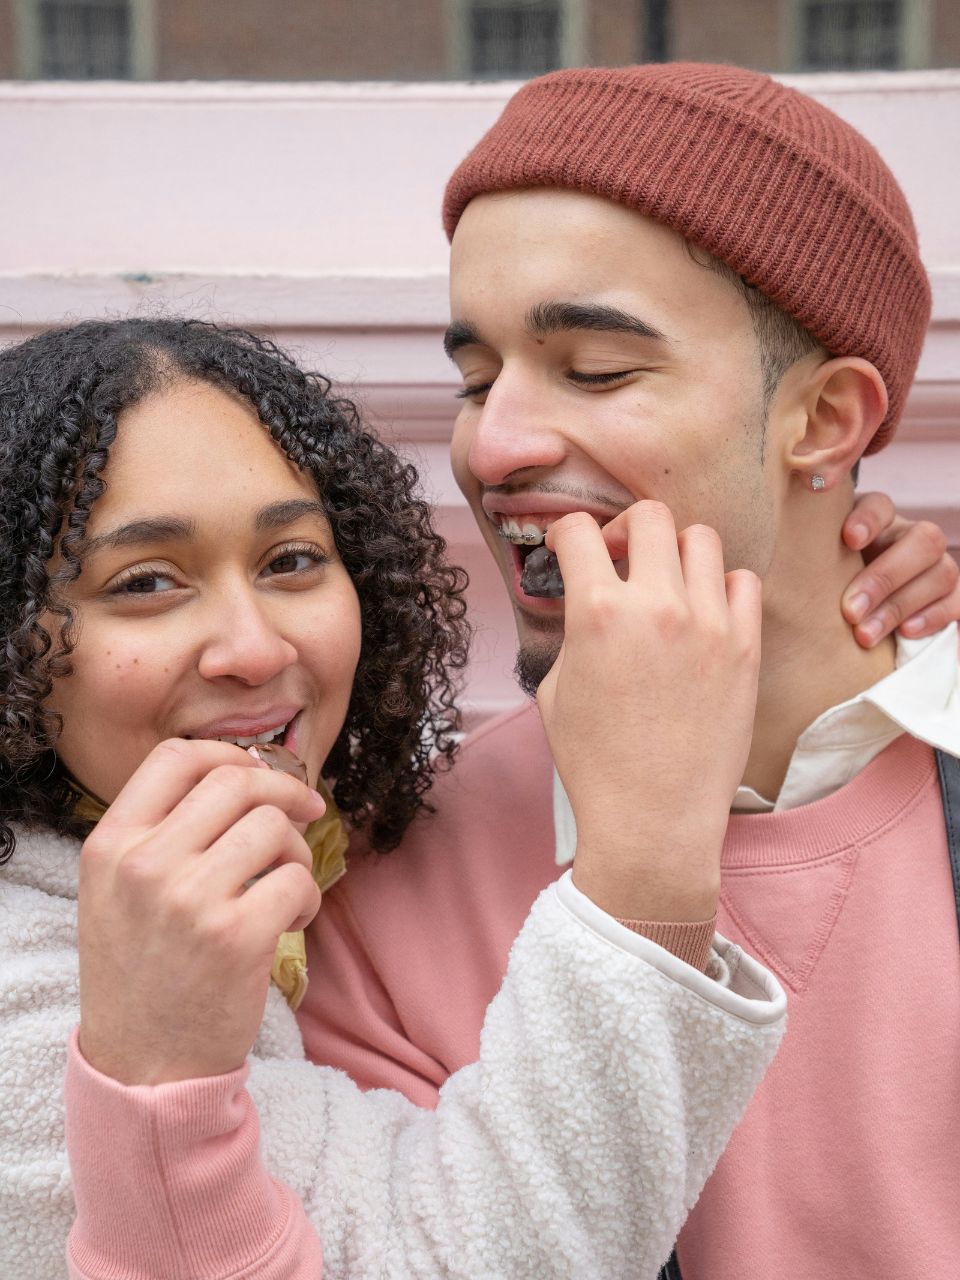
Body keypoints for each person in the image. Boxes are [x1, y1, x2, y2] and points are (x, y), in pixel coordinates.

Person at [300, 64, 960, 1278]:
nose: (492, 446)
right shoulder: (378, 888)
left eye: (595, 368)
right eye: (475, 377)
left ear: (823, 422)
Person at [0, 316, 794, 1280]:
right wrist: (645, 859)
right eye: (147, 582)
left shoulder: (338, 847)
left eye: (291, 560)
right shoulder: (32, 995)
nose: (255, 648)